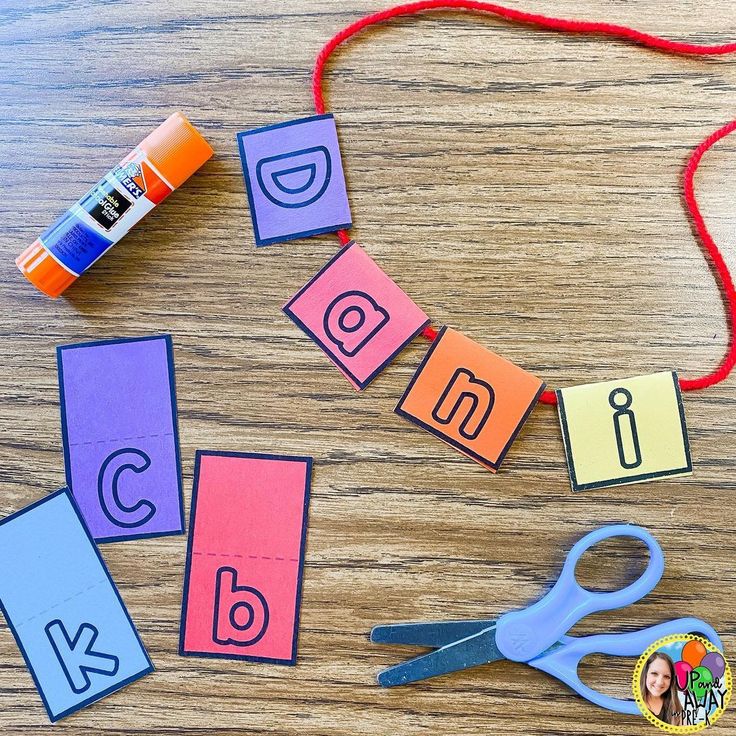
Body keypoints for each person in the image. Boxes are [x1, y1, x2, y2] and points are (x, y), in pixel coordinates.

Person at [640, 652, 682, 725]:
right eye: (654, 674)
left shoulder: (675, 706)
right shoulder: (633, 703)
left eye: (666, 677)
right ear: (645, 674)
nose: (660, 682)